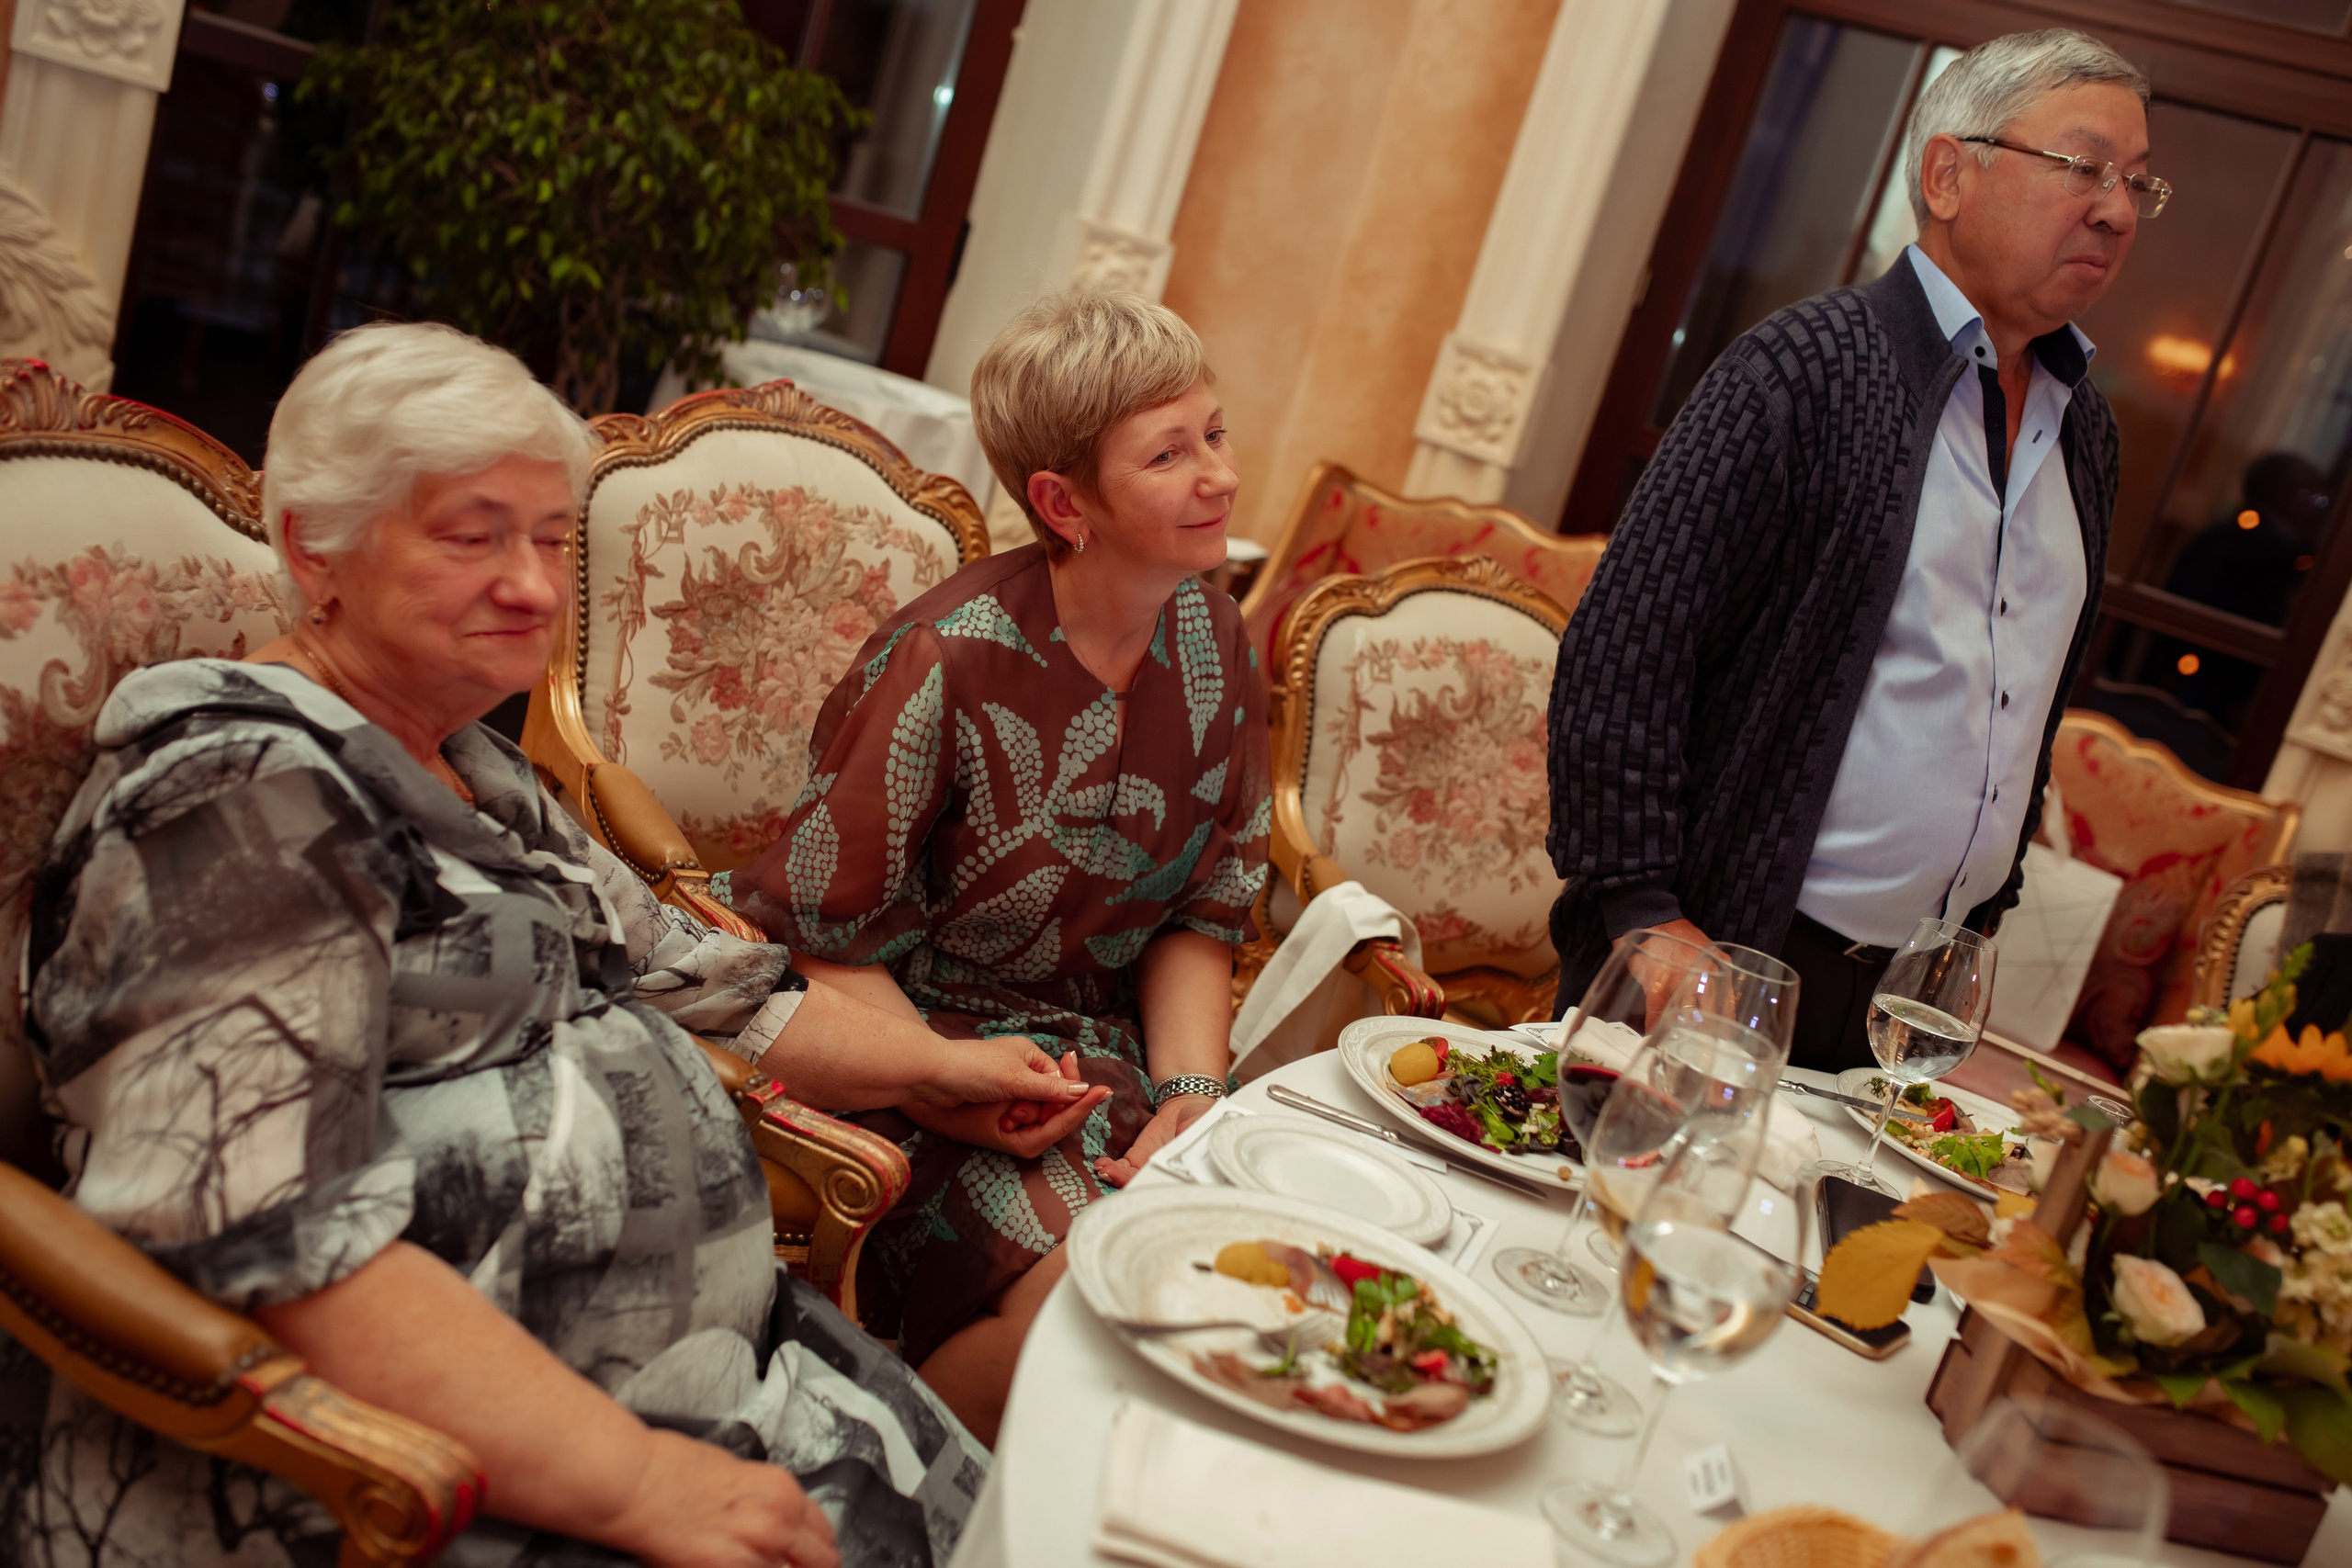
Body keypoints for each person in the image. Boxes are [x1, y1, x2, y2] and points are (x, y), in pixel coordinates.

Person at [10, 321, 1096, 1568]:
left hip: (679, 1391)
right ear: (317, 550)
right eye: (473, 535)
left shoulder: (474, 767)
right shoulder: (238, 795)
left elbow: (708, 985)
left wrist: (941, 1071)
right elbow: (269, 1241)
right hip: (393, 1472)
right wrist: (636, 1477)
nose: (533, 584)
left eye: (547, 536)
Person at [1545, 28, 2165, 1071]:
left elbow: (2023, 698)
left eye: (2137, 183)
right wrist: (1643, 912)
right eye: (2083, 168)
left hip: (1912, 995)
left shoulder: (2084, 431)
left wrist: (1979, 915)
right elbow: (1624, 654)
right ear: (1947, 173)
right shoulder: (1801, 371)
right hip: (1722, 954)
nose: (2113, 208)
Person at [723, 289, 1271, 1444]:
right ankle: (886, 1498)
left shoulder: (1217, 643)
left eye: (1213, 434)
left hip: (1107, 1069)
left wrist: (1192, 1100)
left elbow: (1203, 913)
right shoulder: (944, 658)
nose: (1217, 476)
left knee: (1239, 1301)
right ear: (1063, 503)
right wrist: (942, 1078)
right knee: (1095, 1308)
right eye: (1168, 454)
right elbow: (821, 934)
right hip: (912, 1067)